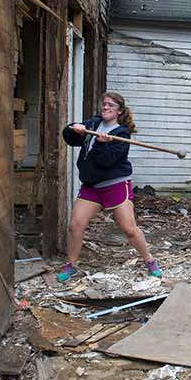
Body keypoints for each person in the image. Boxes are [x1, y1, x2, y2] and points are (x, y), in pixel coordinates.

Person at [57, 92, 162, 282]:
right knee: (75, 225)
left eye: (110, 105)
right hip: (91, 187)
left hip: (115, 185)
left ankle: (149, 260)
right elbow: (70, 139)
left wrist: (100, 144)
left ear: (119, 111)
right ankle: (71, 264)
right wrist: (72, 128)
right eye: (104, 104)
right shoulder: (93, 124)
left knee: (129, 229)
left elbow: (106, 161)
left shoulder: (122, 134)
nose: (105, 108)